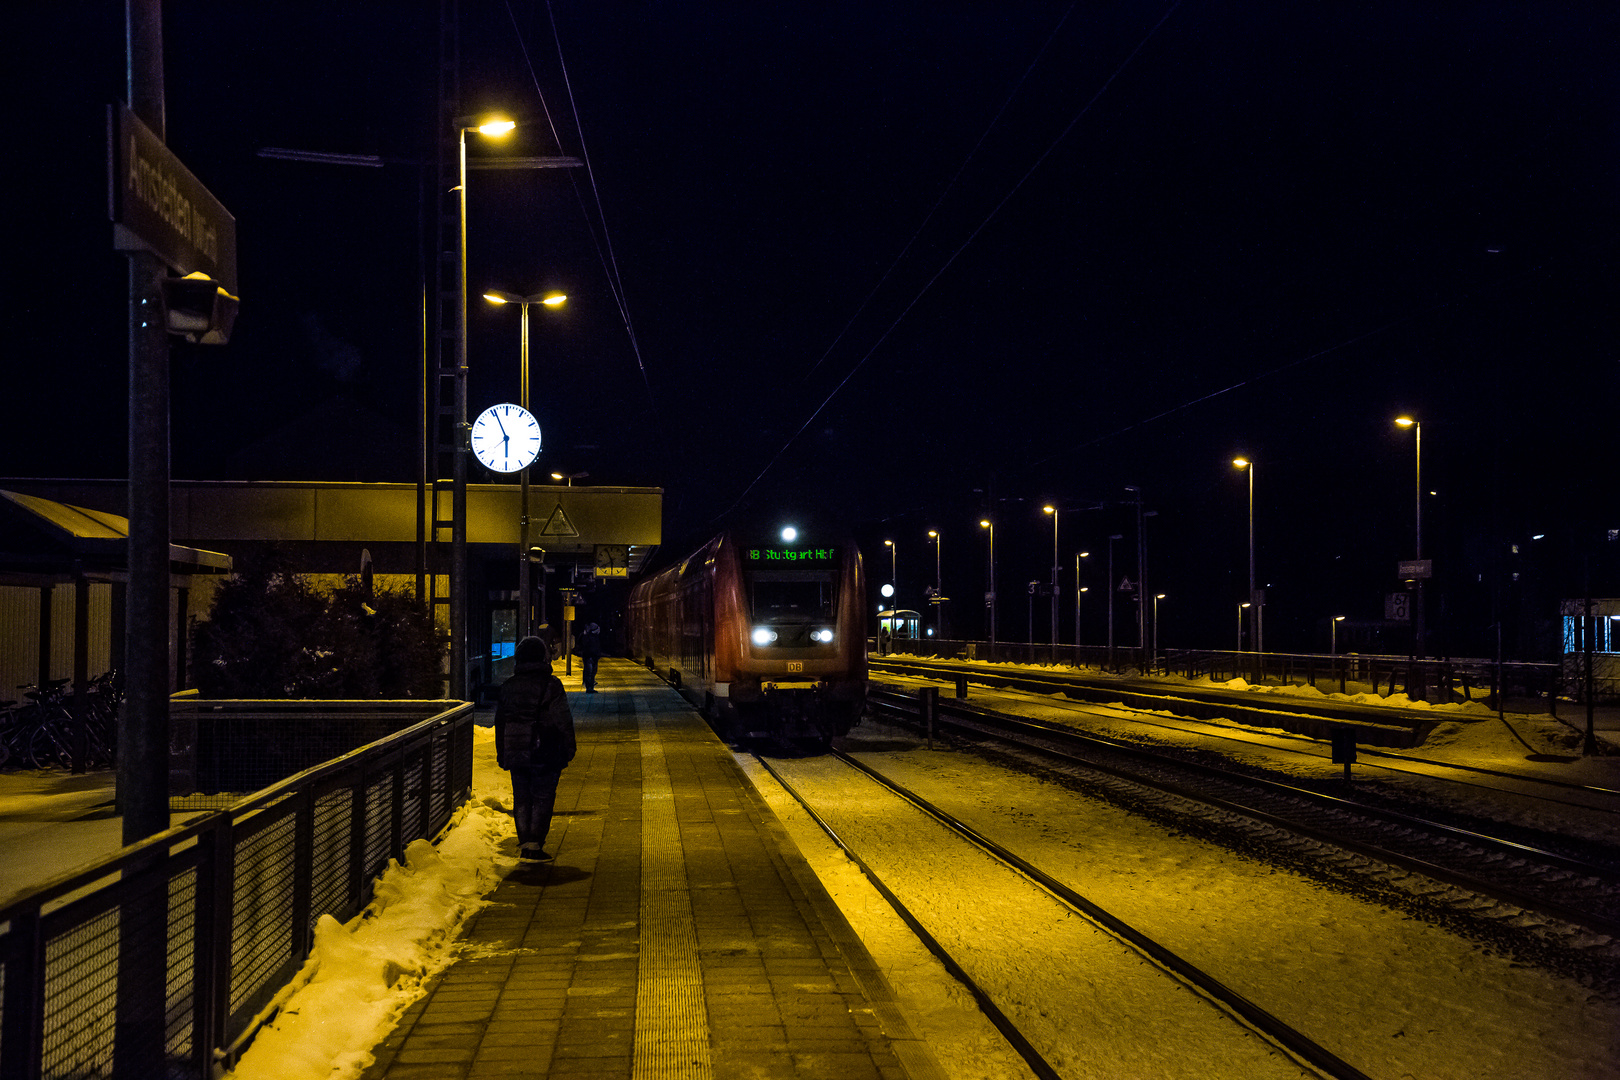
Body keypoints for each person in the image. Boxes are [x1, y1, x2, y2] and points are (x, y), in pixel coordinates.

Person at [495, 636, 576, 861]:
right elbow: (562, 720)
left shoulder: (508, 686)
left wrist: (502, 751)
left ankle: (524, 845)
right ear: (543, 657)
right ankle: (535, 846)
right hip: (545, 750)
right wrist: (569, 747)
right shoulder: (551, 686)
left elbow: (500, 723)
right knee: (542, 797)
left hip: (516, 749)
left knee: (521, 798)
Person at [577, 621, 603, 693]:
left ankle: (590, 687)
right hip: (589, 656)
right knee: (590, 672)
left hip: (592, 656)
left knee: (592, 672)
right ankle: (589, 687)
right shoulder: (588, 636)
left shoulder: (591, 636)